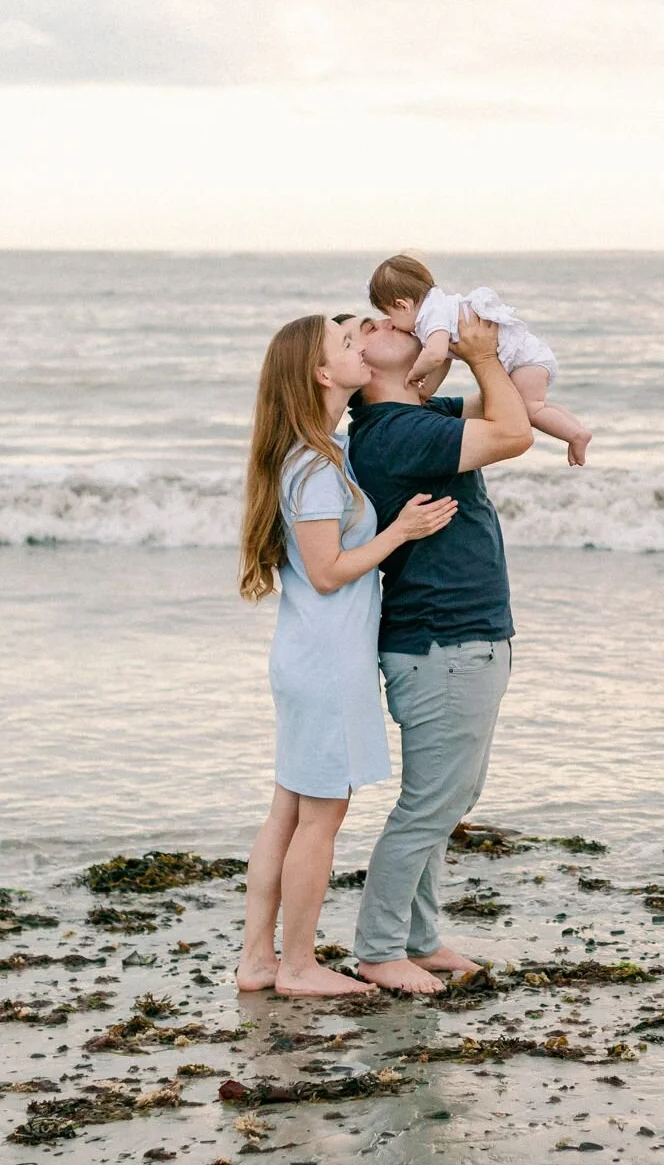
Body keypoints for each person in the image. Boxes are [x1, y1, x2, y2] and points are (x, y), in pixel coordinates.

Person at [232, 312, 457, 996]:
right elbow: (329, 570)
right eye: (346, 344)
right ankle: (298, 967)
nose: (360, 345)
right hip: (327, 663)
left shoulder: (309, 453)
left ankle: (258, 961)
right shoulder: (316, 465)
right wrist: (401, 531)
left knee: (289, 813)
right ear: (323, 375)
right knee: (319, 819)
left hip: (308, 657)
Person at [345, 305, 534, 994]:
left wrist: (484, 350)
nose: (384, 324)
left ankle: (417, 939)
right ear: (361, 368)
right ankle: (379, 949)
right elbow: (514, 434)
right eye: (364, 330)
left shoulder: (414, 416)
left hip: (460, 636)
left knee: (448, 798)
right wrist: (482, 356)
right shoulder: (397, 433)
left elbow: (507, 405)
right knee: (430, 805)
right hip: (442, 641)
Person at [367, 251, 592, 466]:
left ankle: (576, 436)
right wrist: (426, 391)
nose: (390, 323)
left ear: (402, 305)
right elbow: (445, 359)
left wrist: (416, 372)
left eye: (390, 315)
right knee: (537, 405)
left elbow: (435, 356)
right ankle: (578, 429)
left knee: (530, 409)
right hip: (528, 355)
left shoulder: (429, 318)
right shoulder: (439, 307)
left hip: (523, 359)